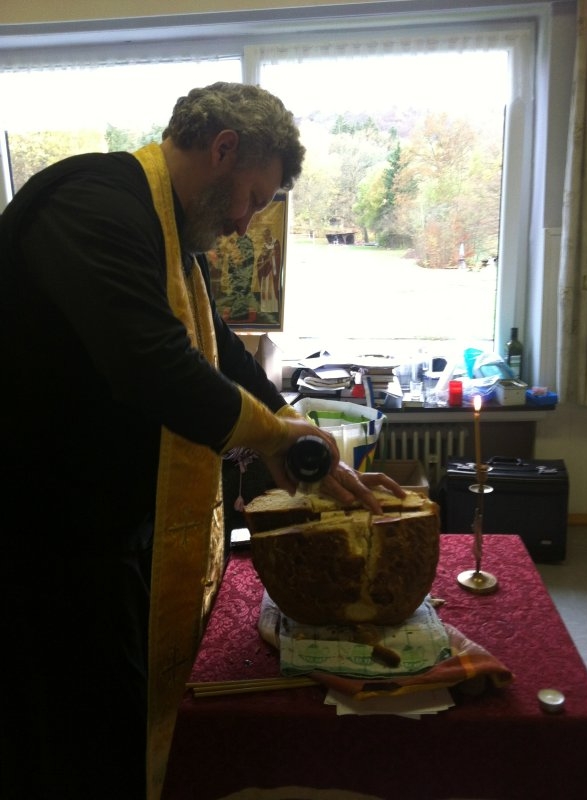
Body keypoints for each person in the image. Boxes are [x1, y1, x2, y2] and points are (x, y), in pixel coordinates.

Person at [0, 82, 404, 800]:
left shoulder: (171, 242)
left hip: (106, 528)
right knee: (76, 735)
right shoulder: (93, 204)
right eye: (252, 196)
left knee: (120, 716)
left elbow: (219, 354)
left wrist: (301, 439)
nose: (246, 223)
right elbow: (155, 365)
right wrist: (276, 436)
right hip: (40, 537)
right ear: (222, 150)